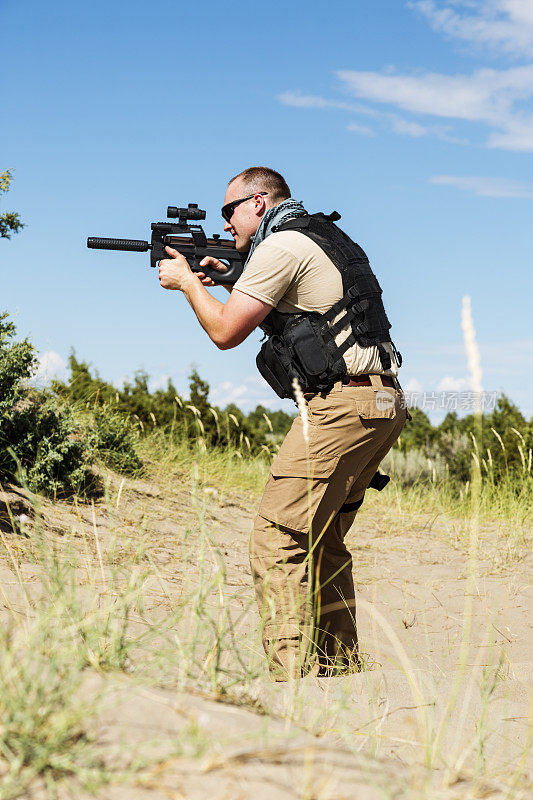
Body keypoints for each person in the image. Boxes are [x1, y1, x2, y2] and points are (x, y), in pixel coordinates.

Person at [158, 166, 407, 681]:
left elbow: (226, 331)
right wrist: (226, 276)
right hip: (382, 403)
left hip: (342, 407)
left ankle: (289, 679)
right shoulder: (316, 235)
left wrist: (186, 283)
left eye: (229, 211)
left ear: (258, 202)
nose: (225, 223)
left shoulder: (278, 248)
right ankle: (338, 668)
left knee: (277, 538)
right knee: (324, 536)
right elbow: (306, 310)